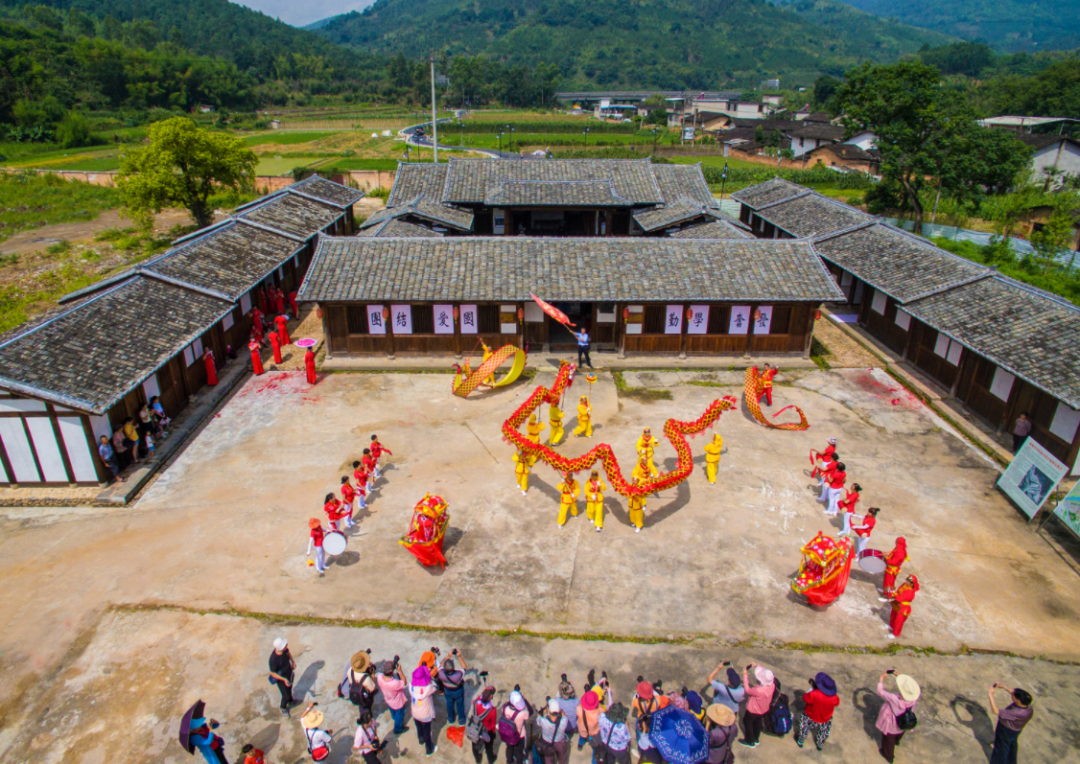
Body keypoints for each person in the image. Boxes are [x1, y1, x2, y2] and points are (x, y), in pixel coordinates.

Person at [875, 672, 919, 763]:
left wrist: (881, 680)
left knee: (888, 740)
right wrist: (900, 676)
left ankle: (889, 756)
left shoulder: (895, 699)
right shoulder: (914, 698)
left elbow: (880, 692)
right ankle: (897, 740)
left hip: (893, 723)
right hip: (905, 720)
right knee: (901, 731)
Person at [987, 683, 1034, 764]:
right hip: (1015, 731)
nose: (1012, 694)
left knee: (1000, 750)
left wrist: (990, 695)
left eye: (1013, 696)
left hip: (1005, 731)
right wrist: (1004, 687)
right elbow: (1014, 693)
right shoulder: (1028, 706)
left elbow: (996, 711)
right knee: (1011, 746)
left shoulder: (1016, 712)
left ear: (1018, 701)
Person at [796, 672, 839, 751]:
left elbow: (805, 698)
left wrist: (813, 689)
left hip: (810, 716)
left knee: (804, 728)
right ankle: (820, 744)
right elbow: (837, 702)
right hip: (825, 719)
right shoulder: (834, 697)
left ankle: (800, 741)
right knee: (823, 732)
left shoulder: (814, 694)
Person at [740, 663, 775, 748]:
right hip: (763, 710)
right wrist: (758, 665)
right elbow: (767, 675)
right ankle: (756, 738)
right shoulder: (772, 685)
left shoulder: (759, 690)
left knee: (747, 722)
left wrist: (745, 676)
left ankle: (749, 741)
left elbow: (748, 690)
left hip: (753, 710)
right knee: (758, 723)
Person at [376, 658, 410, 735]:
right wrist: (400, 671)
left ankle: (394, 717)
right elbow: (404, 682)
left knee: (393, 712)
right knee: (399, 715)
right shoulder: (395, 683)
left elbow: (382, 674)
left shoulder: (379, 677)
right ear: (392, 672)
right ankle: (398, 729)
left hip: (388, 699)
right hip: (398, 703)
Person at [410, 665, 438, 756]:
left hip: (415, 713)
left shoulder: (411, 686)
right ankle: (429, 750)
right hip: (425, 715)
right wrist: (430, 677)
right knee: (427, 733)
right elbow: (435, 686)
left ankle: (421, 740)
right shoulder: (428, 688)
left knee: (419, 728)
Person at [439, 651, 469, 726]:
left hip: (447, 690)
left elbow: (441, 665)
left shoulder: (441, 673)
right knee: (460, 705)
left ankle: (451, 719)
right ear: (453, 667)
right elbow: (464, 668)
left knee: (449, 705)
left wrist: (448, 656)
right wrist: (459, 656)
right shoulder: (458, 675)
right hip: (458, 691)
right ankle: (461, 721)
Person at [537, 697, 571, 764]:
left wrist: (544, 711)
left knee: (549, 760)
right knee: (562, 759)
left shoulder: (543, 721)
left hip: (547, 743)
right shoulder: (564, 721)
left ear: (549, 710)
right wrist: (560, 711)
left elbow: (538, 717)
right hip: (560, 742)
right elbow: (564, 715)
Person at [268, 637, 296, 717]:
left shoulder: (285, 650)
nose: (286, 645)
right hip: (282, 679)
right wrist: (284, 679)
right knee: (285, 695)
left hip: (289, 673)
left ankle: (291, 701)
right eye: (285, 645)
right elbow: (273, 673)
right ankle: (283, 708)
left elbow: (288, 653)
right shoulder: (273, 659)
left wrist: (293, 662)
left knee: (290, 688)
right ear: (281, 648)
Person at [471, 686, 499, 764]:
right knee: (489, 746)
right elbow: (493, 724)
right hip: (486, 730)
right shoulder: (492, 710)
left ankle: (478, 759)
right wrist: (493, 733)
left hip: (476, 727)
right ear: (490, 697)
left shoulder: (476, 702)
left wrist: (483, 693)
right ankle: (491, 759)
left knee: (474, 744)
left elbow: (476, 700)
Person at [502, 690, 531, 764]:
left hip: (509, 734)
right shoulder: (522, 713)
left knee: (509, 748)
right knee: (519, 751)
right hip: (520, 735)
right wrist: (524, 699)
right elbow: (530, 711)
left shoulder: (504, 709)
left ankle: (509, 761)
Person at [887, 575, 919, 639]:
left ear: (911, 584)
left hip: (903, 607)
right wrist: (894, 593)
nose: (906, 581)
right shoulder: (904, 585)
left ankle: (895, 633)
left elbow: (900, 598)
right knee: (893, 615)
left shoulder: (910, 591)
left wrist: (894, 595)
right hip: (897, 604)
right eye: (906, 580)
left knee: (898, 621)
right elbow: (898, 591)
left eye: (908, 581)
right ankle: (891, 626)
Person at [576, 690, 603, 762]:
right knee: (595, 749)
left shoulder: (579, 709)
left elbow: (581, 705)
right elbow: (602, 711)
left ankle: (580, 745)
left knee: (582, 737)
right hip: (594, 733)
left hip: (583, 730)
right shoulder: (598, 712)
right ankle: (594, 762)